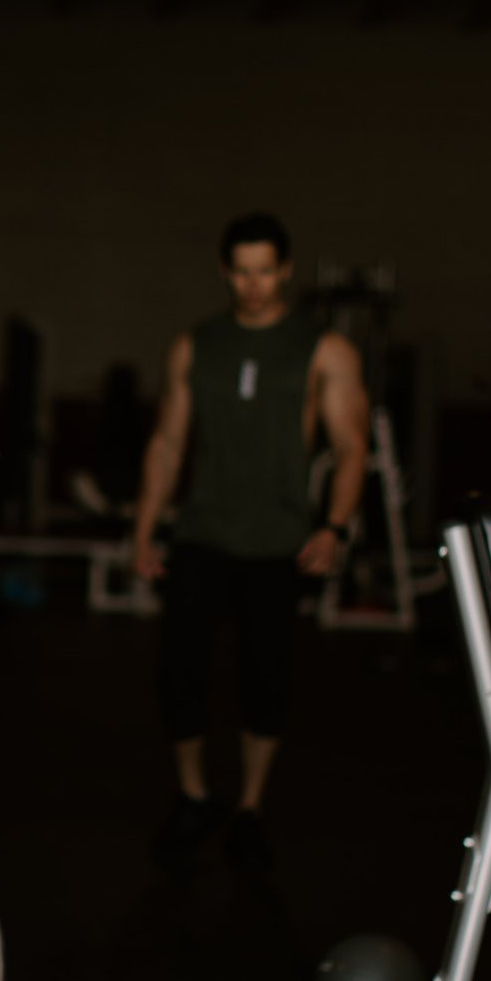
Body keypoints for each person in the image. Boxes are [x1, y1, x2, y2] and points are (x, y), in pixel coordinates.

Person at [131, 211, 368, 868]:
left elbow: (353, 447)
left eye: (266, 270)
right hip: (203, 532)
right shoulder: (195, 344)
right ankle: (194, 794)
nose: (254, 283)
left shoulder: (324, 350)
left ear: (285, 269)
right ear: (225, 272)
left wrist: (334, 526)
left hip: (279, 540)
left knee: (268, 678)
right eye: (242, 271)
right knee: (179, 671)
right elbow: (169, 440)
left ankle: (250, 806)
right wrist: (145, 528)